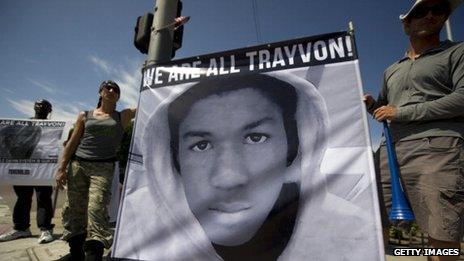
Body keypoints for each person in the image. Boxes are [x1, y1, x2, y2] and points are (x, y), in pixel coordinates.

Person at [138, 72, 329, 260]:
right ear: (174, 160)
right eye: (201, 145)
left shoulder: (353, 234)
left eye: (255, 138)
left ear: (293, 148)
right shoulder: (136, 231)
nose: (228, 179)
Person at [364, 0, 464, 259]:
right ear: (406, 25)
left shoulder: (457, 52)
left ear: (444, 19)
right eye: (421, 11)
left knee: (441, 234)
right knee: (376, 222)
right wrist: (373, 105)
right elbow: (384, 109)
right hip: (389, 153)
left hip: (437, 149)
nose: (430, 15)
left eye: (438, 10)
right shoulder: (391, 69)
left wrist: (402, 112)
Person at [55, 80, 136, 261]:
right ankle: (76, 253)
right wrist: (61, 168)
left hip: (103, 168)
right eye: (108, 87)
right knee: (74, 209)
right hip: (78, 166)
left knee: (97, 209)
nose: (111, 90)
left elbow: (147, 103)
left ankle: (93, 255)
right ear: (100, 92)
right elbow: (72, 144)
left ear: (118, 96)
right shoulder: (85, 115)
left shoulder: (122, 116)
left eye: (116, 89)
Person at [0, 99, 55, 244]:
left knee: (43, 197)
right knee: (23, 197)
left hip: (41, 169)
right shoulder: (20, 126)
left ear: (49, 111)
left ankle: (45, 228)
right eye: (39, 105)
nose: (41, 108)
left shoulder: (50, 128)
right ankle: (21, 228)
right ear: (34, 108)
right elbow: (4, 136)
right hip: (22, 166)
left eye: (45, 107)